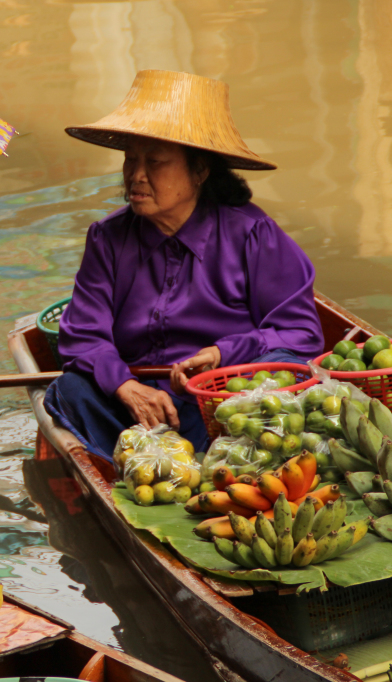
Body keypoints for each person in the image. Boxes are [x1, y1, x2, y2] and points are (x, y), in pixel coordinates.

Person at [44, 70, 324, 461]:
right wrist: (125, 386)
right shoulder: (107, 238)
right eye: (131, 159)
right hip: (137, 408)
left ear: (200, 170)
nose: (136, 175)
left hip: (222, 404)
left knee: (282, 376)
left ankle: (213, 463)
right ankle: (145, 465)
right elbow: (82, 338)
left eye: (155, 162)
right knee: (70, 390)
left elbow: (300, 334)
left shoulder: (253, 234)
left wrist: (223, 354)